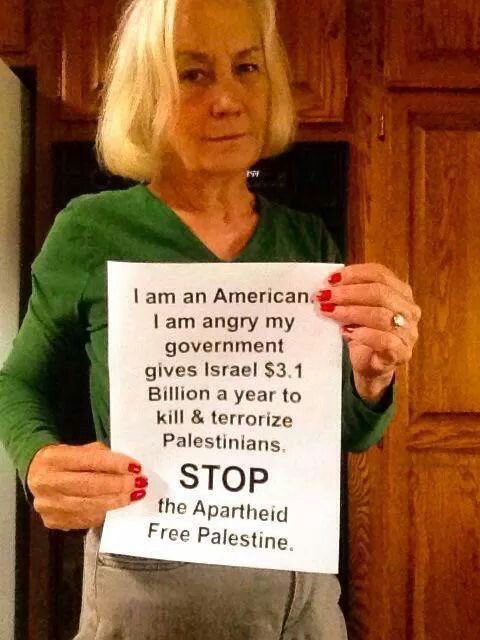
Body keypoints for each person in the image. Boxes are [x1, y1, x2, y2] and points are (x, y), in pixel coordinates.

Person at [0, 0, 421, 638]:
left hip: (298, 591)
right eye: (193, 74)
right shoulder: (90, 230)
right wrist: (37, 459)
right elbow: (19, 381)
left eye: (246, 68)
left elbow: (341, 432)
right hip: (147, 588)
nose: (227, 99)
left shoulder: (305, 239)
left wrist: (371, 378)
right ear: (147, 92)